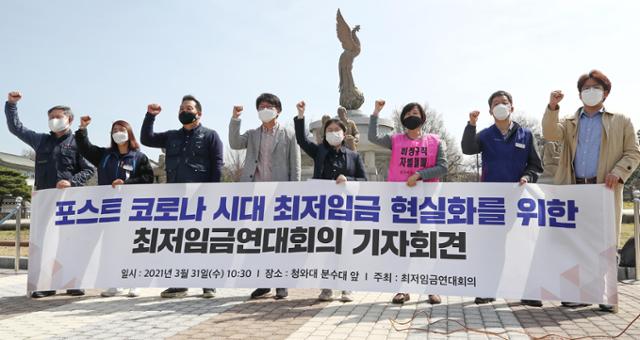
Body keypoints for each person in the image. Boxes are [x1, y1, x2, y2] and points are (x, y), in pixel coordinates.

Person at [542, 70, 640, 312]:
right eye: (585, 88)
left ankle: (606, 296)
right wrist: (552, 107)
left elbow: (633, 152)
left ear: (605, 92)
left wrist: (618, 172)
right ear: (579, 94)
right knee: (576, 242)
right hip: (575, 189)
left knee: (604, 242)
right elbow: (549, 133)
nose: (590, 91)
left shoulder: (622, 120)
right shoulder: (568, 122)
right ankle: (577, 293)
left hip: (605, 189)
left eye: (595, 87)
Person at [4, 91, 95, 299]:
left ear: (69, 119)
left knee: (70, 241)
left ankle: (75, 282)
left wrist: (71, 181)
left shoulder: (78, 143)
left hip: (69, 202)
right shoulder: (41, 141)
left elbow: (89, 169)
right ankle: (46, 284)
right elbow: (16, 128)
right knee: (45, 242)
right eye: (51, 117)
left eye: (58, 116)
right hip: (45, 201)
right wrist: (11, 105)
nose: (54, 120)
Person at [461, 90, 543, 307]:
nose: (500, 106)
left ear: (512, 107)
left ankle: (529, 291)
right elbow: (468, 149)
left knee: (523, 246)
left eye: (504, 103)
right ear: (490, 110)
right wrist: (471, 125)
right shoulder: (486, 135)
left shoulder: (526, 135)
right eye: (496, 104)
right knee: (492, 247)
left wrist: (527, 176)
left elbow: (536, 165)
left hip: (519, 199)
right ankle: (488, 290)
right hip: (492, 202)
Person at [140, 94, 223, 299]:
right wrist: (150, 116)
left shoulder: (211, 135)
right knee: (177, 240)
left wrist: (212, 192)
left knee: (203, 241)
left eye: (189, 108)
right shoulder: (171, 137)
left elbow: (217, 164)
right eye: (181, 109)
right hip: (175, 196)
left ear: (199, 113)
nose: (184, 111)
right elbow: (146, 139)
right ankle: (179, 283)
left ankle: (208, 283)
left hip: (200, 196)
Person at [369, 99, 447, 305]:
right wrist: (376, 113)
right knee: (402, 247)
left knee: (427, 246)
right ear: (403, 119)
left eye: (416, 112)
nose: (412, 115)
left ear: (422, 118)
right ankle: (402, 289)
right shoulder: (394, 140)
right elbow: (372, 137)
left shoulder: (435, 141)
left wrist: (420, 174)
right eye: (408, 113)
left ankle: (432, 288)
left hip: (426, 202)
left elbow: (443, 167)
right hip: (401, 202)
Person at [229, 93, 301, 300]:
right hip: (255, 193)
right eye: (260, 106)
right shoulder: (252, 134)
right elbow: (234, 143)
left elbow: (295, 165)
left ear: (278, 110)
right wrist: (235, 119)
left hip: (280, 194)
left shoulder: (288, 134)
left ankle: (281, 282)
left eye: (268, 106)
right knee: (259, 240)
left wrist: (293, 193)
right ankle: (263, 281)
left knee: (279, 239)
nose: (264, 109)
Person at [294, 100, 366, 302]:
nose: (333, 132)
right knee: (325, 247)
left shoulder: (353, 156)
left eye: (337, 129)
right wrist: (301, 116)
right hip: (322, 209)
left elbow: (364, 181)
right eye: (330, 130)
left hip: (346, 210)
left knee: (345, 247)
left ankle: (346, 287)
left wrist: (348, 180)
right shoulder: (319, 152)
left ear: (344, 134)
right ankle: (326, 287)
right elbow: (301, 139)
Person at [75, 115, 154, 297]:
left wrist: (127, 183)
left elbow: (147, 178)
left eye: (122, 130)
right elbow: (84, 148)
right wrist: (82, 129)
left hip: (132, 208)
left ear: (129, 133)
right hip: (108, 209)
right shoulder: (104, 155)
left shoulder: (139, 157)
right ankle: (114, 282)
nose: (118, 133)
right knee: (111, 246)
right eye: (115, 130)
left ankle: (134, 282)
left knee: (132, 245)